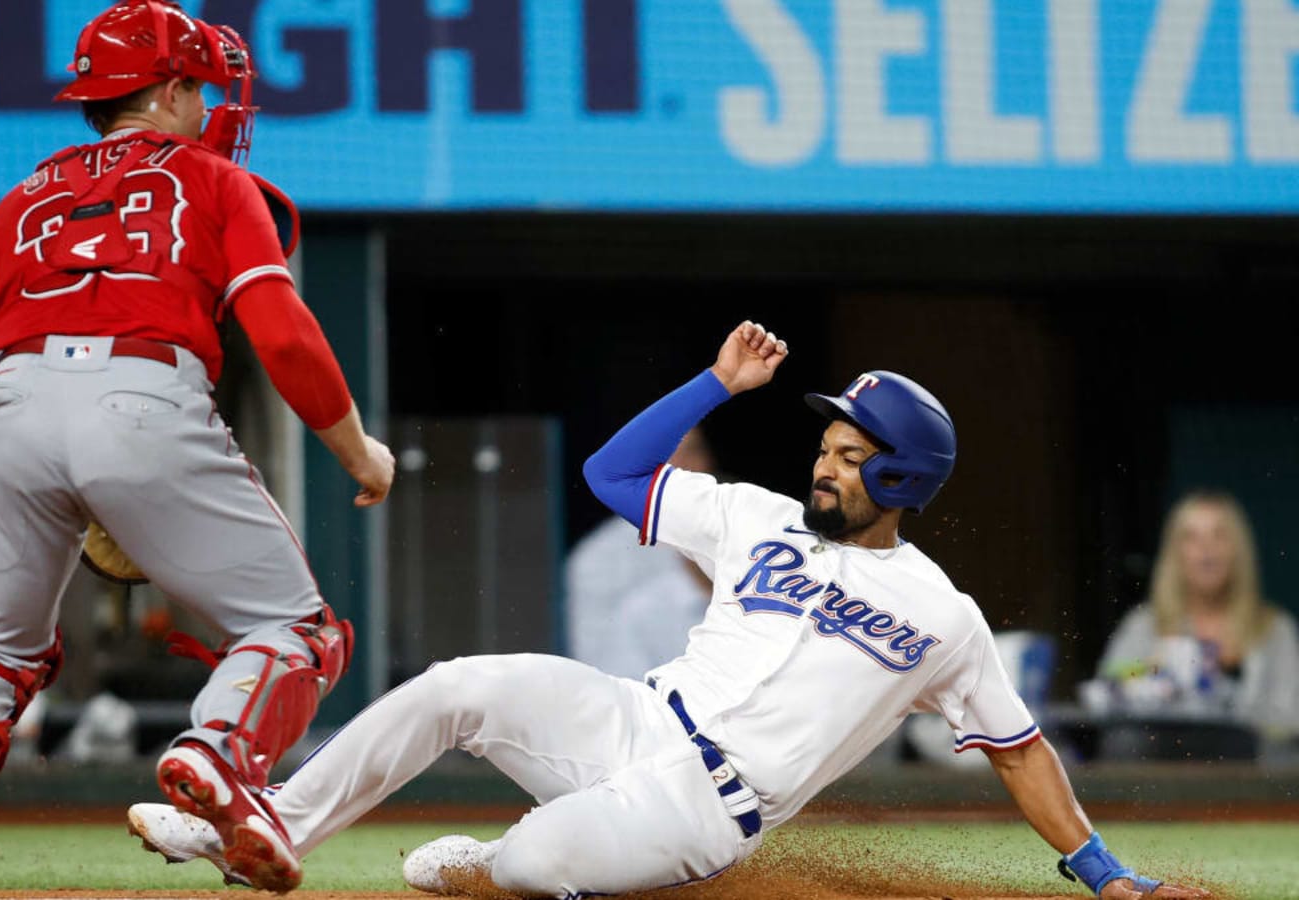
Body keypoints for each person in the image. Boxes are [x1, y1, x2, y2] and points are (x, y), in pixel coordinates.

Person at [124, 322, 1202, 899]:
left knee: (532, 865)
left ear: (905, 484)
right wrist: (713, 387)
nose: (823, 466)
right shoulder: (754, 514)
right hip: (633, 718)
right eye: (825, 448)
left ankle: (487, 873)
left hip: (706, 809)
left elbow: (1017, 751)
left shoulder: (942, 616)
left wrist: (1103, 874)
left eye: (849, 457)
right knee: (460, 685)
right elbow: (609, 472)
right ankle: (256, 827)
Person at [0, 3, 394, 899]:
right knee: (296, 631)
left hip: (9, 407)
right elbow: (283, 336)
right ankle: (215, 753)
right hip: (142, 388)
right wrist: (358, 451)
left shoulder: (23, 196)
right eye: (198, 85)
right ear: (170, 89)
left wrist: (50, 451)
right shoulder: (212, 179)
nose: (209, 102)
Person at [1096, 492, 1299, 735]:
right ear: (1175, 555)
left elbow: (1291, 717)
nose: (1207, 548)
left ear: (1238, 550)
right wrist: (1151, 672)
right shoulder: (1144, 625)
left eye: (1220, 535)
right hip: (1163, 768)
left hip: (1251, 770)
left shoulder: (1275, 628)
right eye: (1191, 537)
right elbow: (1106, 693)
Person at [565, 427, 714, 678]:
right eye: (666, 456)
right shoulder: (600, 558)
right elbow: (601, 673)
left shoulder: (735, 526)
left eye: (693, 451)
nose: (683, 467)